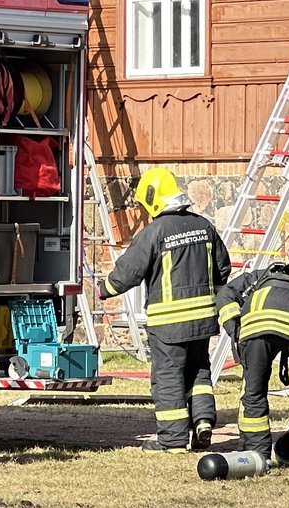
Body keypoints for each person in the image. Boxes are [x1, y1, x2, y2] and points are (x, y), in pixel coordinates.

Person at [99, 166, 229, 451]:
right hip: (203, 321)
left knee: (168, 378)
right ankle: (203, 422)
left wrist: (103, 289)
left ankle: (172, 440)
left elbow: (128, 272)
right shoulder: (204, 226)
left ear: (152, 198)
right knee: (199, 371)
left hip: (168, 325)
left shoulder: (154, 232)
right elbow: (222, 269)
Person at [217, 242, 289, 471]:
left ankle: (255, 457)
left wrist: (236, 330)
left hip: (256, 327)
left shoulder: (260, 277)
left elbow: (225, 295)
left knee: (253, 393)